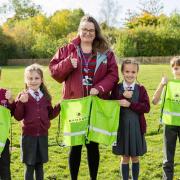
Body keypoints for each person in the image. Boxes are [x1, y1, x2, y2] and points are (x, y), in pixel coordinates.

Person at [49, 15, 119, 180]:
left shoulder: (105, 53)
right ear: (79, 31)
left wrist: (100, 88)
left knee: (93, 145)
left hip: (95, 104)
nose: (87, 33)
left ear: (95, 32)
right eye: (84, 29)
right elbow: (54, 72)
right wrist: (67, 63)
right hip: (75, 105)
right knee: (75, 146)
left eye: (91, 30)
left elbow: (113, 75)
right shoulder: (67, 50)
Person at [14, 64, 60, 180]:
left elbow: (49, 115)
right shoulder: (23, 96)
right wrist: (21, 102)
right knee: (29, 166)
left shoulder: (45, 97)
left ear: (41, 80)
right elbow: (18, 117)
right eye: (30, 78)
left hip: (43, 136)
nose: (33, 81)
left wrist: (59, 107)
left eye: (36, 78)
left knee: (39, 166)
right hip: (29, 137)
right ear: (25, 80)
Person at [111, 59, 150, 180]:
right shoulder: (117, 88)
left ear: (137, 73)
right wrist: (121, 98)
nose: (130, 74)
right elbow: (110, 104)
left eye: (133, 72)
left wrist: (130, 104)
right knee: (125, 157)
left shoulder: (141, 89)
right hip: (121, 127)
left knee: (135, 157)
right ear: (122, 72)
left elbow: (146, 107)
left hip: (136, 128)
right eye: (127, 71)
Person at [152, 56, 180, 180]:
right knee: (168, 159)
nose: (178, 71)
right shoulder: (168, 85)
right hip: (169, 125)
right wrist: (162, 84)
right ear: (172, 70)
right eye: (176, 68)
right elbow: (154, 100)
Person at [0, 67, 15, 180]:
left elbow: (13, 112)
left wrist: (10, 101)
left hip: (3, 139)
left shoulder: (4, 93)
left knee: (5, 167)